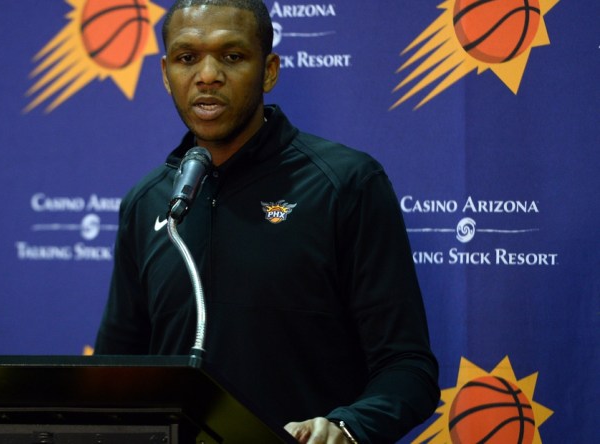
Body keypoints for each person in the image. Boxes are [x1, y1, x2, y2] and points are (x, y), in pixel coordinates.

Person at [94, 0, 440, 442]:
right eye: (187, 58)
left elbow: (407, 367)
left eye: (232, 56)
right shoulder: (147, 202)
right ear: (166, 74)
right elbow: (114, 373)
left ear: (270, 71)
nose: (207, 76)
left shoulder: (345, 183)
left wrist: (347, 428)